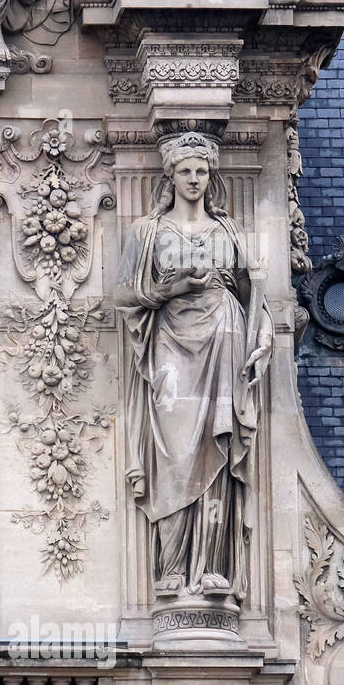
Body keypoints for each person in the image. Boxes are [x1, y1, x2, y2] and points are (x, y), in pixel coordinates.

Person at [115, 131, 273, 601]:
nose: (194, 179)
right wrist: (170, 290)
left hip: (224, 336)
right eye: (185, 170)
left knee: (217, 445)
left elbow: (255, 295)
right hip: (170, 346)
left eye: (201, 171)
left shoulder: (228, 232)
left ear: (211, 176)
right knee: (174, 451)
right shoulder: (147, 232)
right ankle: (171, 567)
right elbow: (124, 294)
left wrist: (262, 333)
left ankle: (210, 568)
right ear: (171, 174)